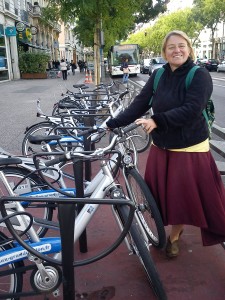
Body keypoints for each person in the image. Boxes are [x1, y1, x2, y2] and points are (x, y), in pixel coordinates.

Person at [106, 30, 225, 258]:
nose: (177, 50)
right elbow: (140, 102)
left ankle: (174, 236)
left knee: (182, 198)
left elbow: (192, 109)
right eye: (171, 47)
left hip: (189, 148)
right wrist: (111, 123)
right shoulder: (159, 74)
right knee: (161, 195)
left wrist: (157, 120)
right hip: (162, 146)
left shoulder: (199, 75)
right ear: (164, 52)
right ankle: (166, 228)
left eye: (181, 46)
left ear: (189, 49)